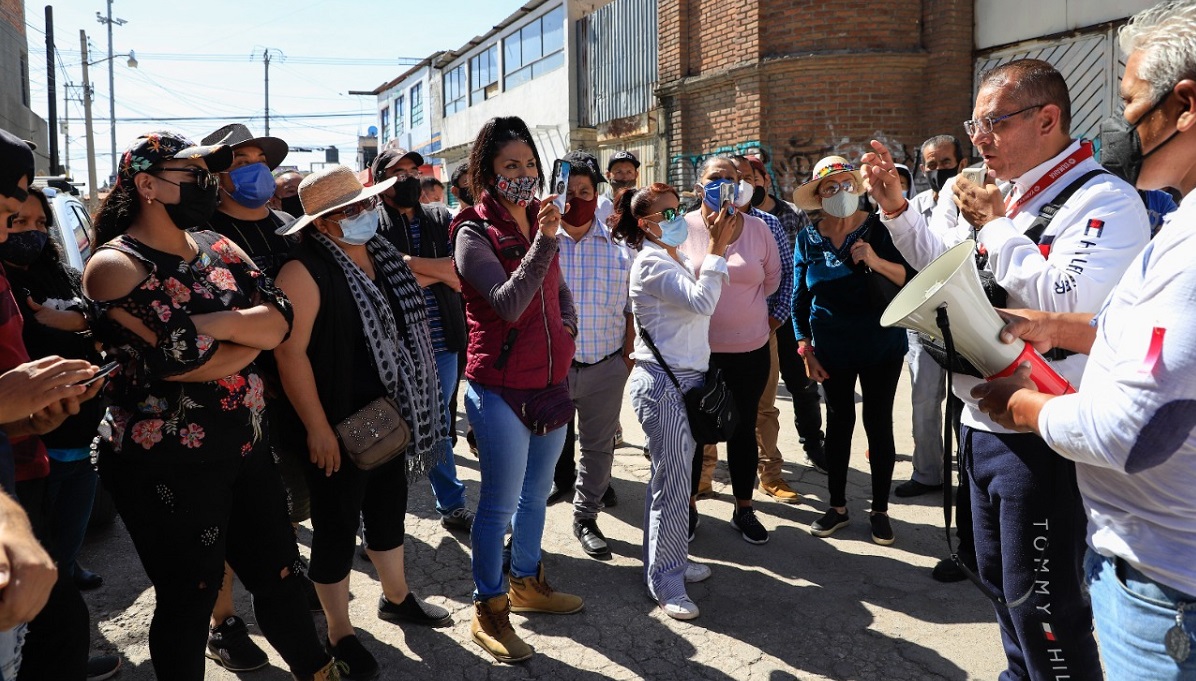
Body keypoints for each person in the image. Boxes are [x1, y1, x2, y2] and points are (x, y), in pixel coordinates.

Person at [862, 58, 1150, 680]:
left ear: (1048, 119)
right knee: (999, 582)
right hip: (984, 423)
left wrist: (996, 226)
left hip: (1046, 433)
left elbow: (1067, 300)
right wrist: (896, 211)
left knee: (1044, 603)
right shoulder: (1012, 196)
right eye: (976, 124)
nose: (979, 140)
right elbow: (948, 272)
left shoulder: (1102, 198)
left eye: (994, 122)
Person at [972, 5, 1196, 677]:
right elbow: (1154, 339)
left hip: (1162, 581)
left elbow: (1134, 428)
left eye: (1128, 102)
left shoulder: (1108, 202)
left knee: (1048, 619)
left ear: (1184, 104)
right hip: (1148, 555)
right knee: (1011, 599)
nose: (1119, 123)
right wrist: (1061, 328)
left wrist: (1023, 407)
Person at [82, 131, 338, 681]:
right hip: (163, 464)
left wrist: (212, 328)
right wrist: (243, 338)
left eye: (206, 173)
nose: (205, 183)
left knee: (281, 577)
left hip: (244, 445)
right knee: (189, 597)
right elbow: (179, 362)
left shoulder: (219, 245)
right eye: (190, 174)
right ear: (146, 184)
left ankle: (319, 672)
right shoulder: (115, 266)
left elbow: (280, 320)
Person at [273, 165, 452, 679]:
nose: (362, 215)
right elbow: (291, 356)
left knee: (389, 508)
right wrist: (317, 428)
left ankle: (397, 598)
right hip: (336, 423)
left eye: (363, 204)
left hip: (390, 418)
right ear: (321, 224)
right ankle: (339, 631)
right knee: (335, 525)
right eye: (346, 211)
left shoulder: (382, 255)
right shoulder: (303, 270)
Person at [451, 116, 583, 664]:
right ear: (487, 171)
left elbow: (555, 289)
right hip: (499, 387)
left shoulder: (538, 221)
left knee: (538, 493)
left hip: (551, 384)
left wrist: (570, 327)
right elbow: (507, 302)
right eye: (511, 166)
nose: (524, 175)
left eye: (530, 164)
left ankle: (527, 580)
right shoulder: (470, 233)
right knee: (499, 505)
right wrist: (545, 241)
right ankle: (490, 609)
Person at [198, 122, 312, 673]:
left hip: (294, 389)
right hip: (228, 395)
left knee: (283, 503)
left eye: (258, 157)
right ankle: (222, 622)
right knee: (217, 519)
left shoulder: (292, 230)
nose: (253, 168)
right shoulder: (200, 234)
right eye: (238, 160)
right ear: (215, 175)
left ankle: (283, 575)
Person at [618, 183, 731, 619]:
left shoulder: (674, 256)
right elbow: (703, 302)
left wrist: (718, 243)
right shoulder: (650, 263)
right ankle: (665, 581)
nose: (678, 216)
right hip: (662, 383)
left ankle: (671, 562)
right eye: (667, 212)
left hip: (687, 380)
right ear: (645, 225)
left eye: (678, 207)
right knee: (673, 484)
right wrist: (718, 248)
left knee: (672, 480)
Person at [791, 156, 913, 546]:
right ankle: (839, 506)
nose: (839, 192)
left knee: (879, 425)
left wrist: (874, 260)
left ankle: (879, 510)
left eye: (846, 184)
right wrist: (805, 348)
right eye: (830, 187)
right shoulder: (809, 237)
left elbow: (909, 278)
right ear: (818, 195)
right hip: (831, 349)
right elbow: (799, 298)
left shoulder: (880, 229)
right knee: (839, 426)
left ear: (856, 188)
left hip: (882, 346)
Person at [5, 189, 106, 590]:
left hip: (82, 427)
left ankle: (66, 569)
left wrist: (70, 322)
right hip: (33, 439)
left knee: (71, 520)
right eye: (18, 222)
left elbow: (100, 319)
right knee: (38, 536)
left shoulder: (61, 274)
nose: (33, 232)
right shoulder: (5, 285)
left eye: (40, 223)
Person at [370, 147, 473, 533]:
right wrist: (438, 272)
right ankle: (376, 518)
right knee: (386, 425)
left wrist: (405, 266)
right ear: (379, 180)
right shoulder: (369, 224)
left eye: (414, 169)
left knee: (437, 418)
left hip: (441, 341)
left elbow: (461, 272)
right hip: (390, 344)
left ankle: (451, 504)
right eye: (399, 171)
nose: (410, 177)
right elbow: (378, 280)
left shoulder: (441, 218)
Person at [678, 155, 781, 544]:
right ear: (699, 185)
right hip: (696, 352)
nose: (725, 183)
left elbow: (771, 281)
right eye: (715, 177)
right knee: (693, 431)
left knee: (741, 428)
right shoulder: (682, 228)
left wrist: (747, 316)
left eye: (732, 178)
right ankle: (687, 506)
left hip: (750, 350)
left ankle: (744, 508)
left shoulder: (758, 229)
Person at [549, 151, 634, 559]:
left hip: (606, 365)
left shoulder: (620, 244)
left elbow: (634, 303)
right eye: (569, 191)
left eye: (585, 190)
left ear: (597, 193)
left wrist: (629, 352)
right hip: (553, 370)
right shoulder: (542, 243)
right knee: (541, 448)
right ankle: (523, 527)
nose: (577, 198)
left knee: (599, 449)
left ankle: (586, 517)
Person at [893, 135, 967, 500]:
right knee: (924, 399)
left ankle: (970, 474)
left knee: (964, 400)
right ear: (923, 168)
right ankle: (927, 473)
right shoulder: (913, 207)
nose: (938, 171)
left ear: (961, 162)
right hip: (923, 319)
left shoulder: (972, 201)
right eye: (932, 165)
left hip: (965, 317)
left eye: (945, 163)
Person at [746, 156, 825, 473]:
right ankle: (750, 454)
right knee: (751, 392)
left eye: (754, 178)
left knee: (802, 385)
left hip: (788, 317)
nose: (750, 185)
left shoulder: (791, 215)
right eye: (743, 179)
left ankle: (813, 444)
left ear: (765, 180)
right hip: (748, 320)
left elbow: (809, 260)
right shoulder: (734, 218)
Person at [728, 154, 798, 504]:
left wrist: (774, 319)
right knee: (709, 404)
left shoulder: (768, 224)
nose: (739, 184)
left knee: (764, 407)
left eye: (745, 177)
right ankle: (705, 475)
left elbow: (787, 276)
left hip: (760, 333)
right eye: (730, 177)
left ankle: (770, 475)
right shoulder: (694, 223)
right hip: (708, 337)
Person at [596, 150, 640, 228]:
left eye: (629, 172)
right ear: (608, 175)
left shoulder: (642, 203)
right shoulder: (599, 205)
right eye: (618, 172)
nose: (624, 177)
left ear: (636, 175)